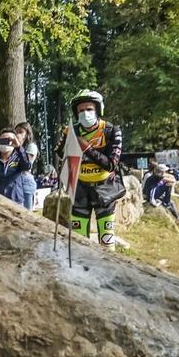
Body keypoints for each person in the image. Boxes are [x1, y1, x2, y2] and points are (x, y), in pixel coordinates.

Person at [55, 90, 125, 250]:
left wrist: (86, 148)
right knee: (79, 241)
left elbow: (111, 164)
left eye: (89, 109)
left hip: (105, 189)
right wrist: (67, 139)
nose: (85, 113)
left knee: (107, 240)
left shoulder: (111, 130)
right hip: (79, 189)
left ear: (98, 109)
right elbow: (60, 154)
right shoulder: (71, 130)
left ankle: (109, 263)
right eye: (81, 110)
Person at [0, 128, 31, 205]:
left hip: (15, 200)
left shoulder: (18, 158)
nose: (6, 142)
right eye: (2, 140)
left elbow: (27, 166)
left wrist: (19, 147)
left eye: (9, 140)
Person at [15, 121, 40, 211]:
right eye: (16, 132)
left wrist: (18, 147)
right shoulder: (14, 147)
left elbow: (26, 163)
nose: (18, 134)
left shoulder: (31, 146)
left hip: (26, 180)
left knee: (26, 211)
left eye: (21, 132)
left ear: (27, 134)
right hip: (15, 180)